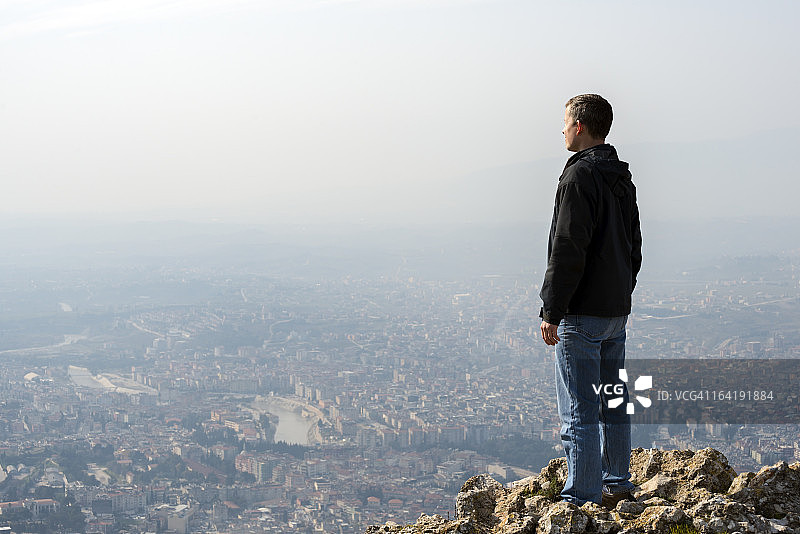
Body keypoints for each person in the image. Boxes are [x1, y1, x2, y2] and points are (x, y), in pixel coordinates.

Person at [539, 94, 642, 507]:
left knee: (580, 410)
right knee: (614, 400)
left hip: (581, 314)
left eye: (564, 121)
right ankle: (617, 481)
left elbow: (567, 249)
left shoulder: (579, 177)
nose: (561, 129)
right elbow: (634, 245)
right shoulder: (620, 176)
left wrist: (552, 309)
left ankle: (581, 497)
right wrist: (622, 292)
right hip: (615, 310)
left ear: (579, 125)